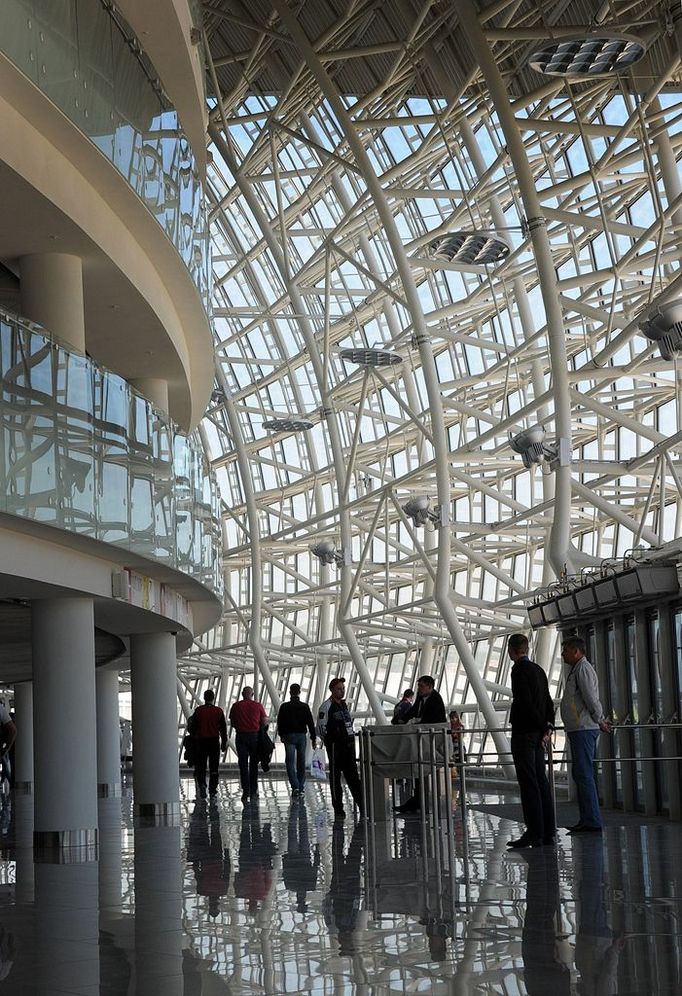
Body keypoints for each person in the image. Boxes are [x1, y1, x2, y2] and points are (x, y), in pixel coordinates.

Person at [506, 633, 556, 849]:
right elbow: (547, 700)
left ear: (512, 650)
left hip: (525, 732)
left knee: (528, 783)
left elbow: (525, 702)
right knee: (541, 781)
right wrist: (547, 726)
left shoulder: (518, 670)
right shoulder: (538, 669)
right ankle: (548, 831)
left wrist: (540, 725)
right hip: (537, 734)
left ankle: (534, 832)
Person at [560, 635, 612, 834]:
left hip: (584, 729)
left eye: (565, 650)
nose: (563, 654)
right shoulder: (578, 669)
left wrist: (599, 719)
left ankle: (591, 820)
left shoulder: (583, 669)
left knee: (584, 774)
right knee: (581, 774)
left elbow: (591, 697)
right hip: (579, 729)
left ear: (576, 651)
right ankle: (587, 818)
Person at [394, 675, 446, 814]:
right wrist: (403, 719)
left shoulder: (435, 700)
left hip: (432, 738)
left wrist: (416, 723)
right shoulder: (421, 697)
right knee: (419, 768)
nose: (419, 689)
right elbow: (414, 710)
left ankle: (421, 801)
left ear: (430, 686)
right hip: (422, 737)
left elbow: (431, 719)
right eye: (419, 686)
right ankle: (417, 800)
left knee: (425, 768)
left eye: (422, 686)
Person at [317, 677, 363, 818]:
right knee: (336, 778)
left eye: (343, 688)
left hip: (348, 746)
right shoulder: (326, 706)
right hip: (335, 747)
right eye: (339, 689)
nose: (342, 691)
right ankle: (338, 808)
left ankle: (362, 804)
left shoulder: (344, 705)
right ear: (332, 690)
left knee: (353, 777)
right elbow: (321, 727)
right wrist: (329, 741)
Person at [276, 683, 316, 797]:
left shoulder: (284, 706)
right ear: (299, 692)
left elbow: (280, 722)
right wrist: (313, 737)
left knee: (290, 761)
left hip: (289, 736)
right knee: (301, 761)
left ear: (290, 692)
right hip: (301, 736)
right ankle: (301, 786)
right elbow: (310, 723)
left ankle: (295, 786)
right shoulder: (304, 706)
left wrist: (281, 735)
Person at [229, 686, 267, 803]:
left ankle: (245, 790)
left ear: (242, 694)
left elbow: (233, 722)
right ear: (252, 694)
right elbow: (264, 722)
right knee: (254, 764)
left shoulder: (236, 706)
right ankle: (253, 789)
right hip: (254, 736)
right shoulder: (258, 706)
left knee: (243, 764)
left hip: (241, 736)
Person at [188, 689, 227, 801]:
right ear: (213, 698)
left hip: (201, 742)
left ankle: (202, 784)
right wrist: (224, 742)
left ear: (204, 698)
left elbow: (193, 727)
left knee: (201, 766)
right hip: (214, 741)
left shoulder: (199, 711)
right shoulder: (218, 711)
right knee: (214, 767)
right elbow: (223, 729)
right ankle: (213, 789)